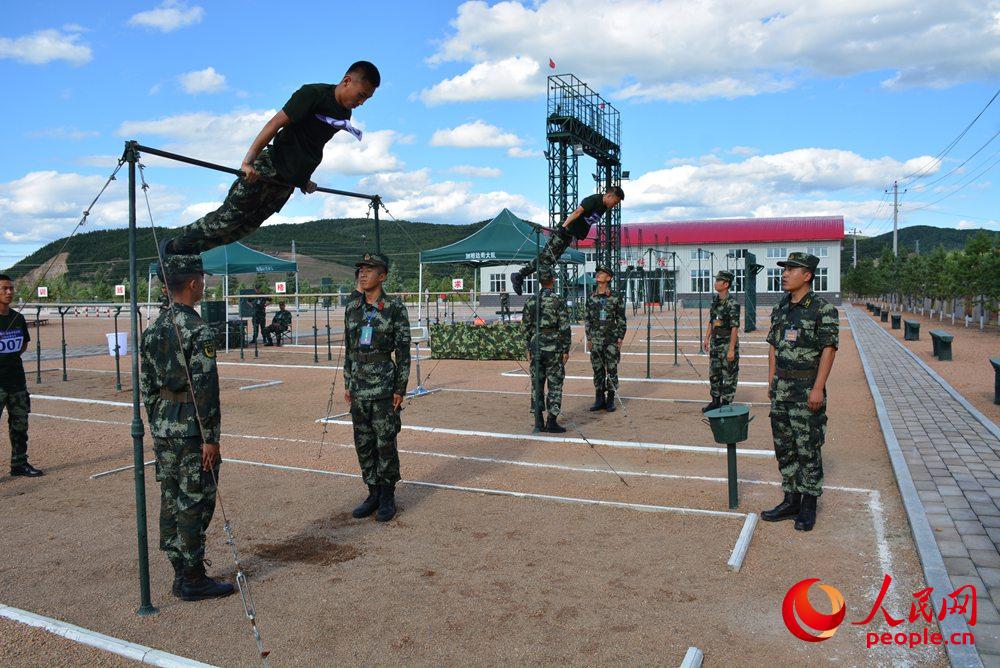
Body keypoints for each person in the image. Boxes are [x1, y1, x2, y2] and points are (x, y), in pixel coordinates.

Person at [159, 61, 380, 257]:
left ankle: (184, 253)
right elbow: (275, 124)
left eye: (367, 99)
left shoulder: (344, 114)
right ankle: (172, 246)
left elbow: (310, 145)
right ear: (347, 81)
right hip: (268, 168)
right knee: (224, 221)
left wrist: (304, 179)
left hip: (286, 183)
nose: (362, 102)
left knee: (240, 231)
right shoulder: (312, 94)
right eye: (361, 95)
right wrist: (248, 162)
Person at [139, 255, 234, 601]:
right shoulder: (196, 329)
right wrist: (211, 438)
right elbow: (206, 390)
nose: (204, 285)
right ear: (193, 284)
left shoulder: (153, 329)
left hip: (165, 427)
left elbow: (147, 385)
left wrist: (159, 418)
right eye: (202, 280)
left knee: (171, 496)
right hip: (191, 429)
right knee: (196, 500)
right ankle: (193, 577)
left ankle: (180, 569)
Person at [761, 252, 839, 532]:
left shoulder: (823, 309)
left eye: (791, 270)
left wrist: (818, 387)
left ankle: (808, 504)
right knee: (784, 447)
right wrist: (771, 380)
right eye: (784, 269)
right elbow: (772, 345)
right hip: (782, 388)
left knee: (808, 447)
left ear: (807, 275)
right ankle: (790, 498)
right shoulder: (781, 307)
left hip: (807, 388)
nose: (784, 274)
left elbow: (828, 349)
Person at [343, 253, 411, 522]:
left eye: (369, 270)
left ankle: (387, 495)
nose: (362, 273)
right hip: (359, 386)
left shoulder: (394, 308)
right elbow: (349, 350)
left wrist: (400, 388)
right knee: (363, 442)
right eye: (360, 269)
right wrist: (348, 382)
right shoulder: (353, 308)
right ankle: (372, 491)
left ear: (382, 276)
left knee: (385, 442)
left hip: (383, 385)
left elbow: (404, 353)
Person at [511, 186, 624, 295]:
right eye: (615, 202)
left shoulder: (603, 207)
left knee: (548, 260)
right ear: (609, 195)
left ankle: (519, 275)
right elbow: (577, 212)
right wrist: (563, 227)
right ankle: (521, 276)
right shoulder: (594, 200)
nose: (614, 206)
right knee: (546, 260)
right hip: (564, 231)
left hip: (569, 235)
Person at [0, 275, 43, 477]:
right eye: (4, 289)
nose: (9, 292)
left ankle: (19, 463)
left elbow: (23, 344)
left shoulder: (18, 318)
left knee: (20, 424)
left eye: (11, 288)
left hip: (16, 380)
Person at [522, 267, 571, 433]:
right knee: (555, 383)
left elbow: (526, 327)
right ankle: (551, 421)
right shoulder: (558, 300)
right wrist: (566, 349)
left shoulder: (530, 301)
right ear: (553, 280)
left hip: (536, 345)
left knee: (537, 383)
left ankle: (538, 421)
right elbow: (564, 326)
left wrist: (527, 347)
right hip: (554, 346)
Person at [584, 265, 626, 412]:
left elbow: (621, 318)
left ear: (609, 278)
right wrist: (589, 337)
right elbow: (588, 319)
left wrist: (620, 337)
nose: (598, 275)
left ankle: (611, 399)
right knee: (597, 369)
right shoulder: (591, 296)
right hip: (595, 340)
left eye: (602, 273)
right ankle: (599, 398)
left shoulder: (615, 297)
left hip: (611, 339)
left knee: (612, 369)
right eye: (598, 273)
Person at [702, 270, 740, 413]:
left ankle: (725, 404)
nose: (715, 282)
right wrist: (707, 338)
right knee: (714, 372)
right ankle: (715, 402)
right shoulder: (715, 301)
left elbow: (734, 327)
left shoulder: (732, 303)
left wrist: (731, 349)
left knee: (729, 373)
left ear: (726, 284)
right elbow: (712, 321)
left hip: (727, 343)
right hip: (715, 343)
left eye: (718, 280)